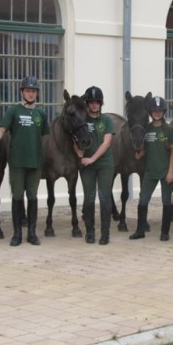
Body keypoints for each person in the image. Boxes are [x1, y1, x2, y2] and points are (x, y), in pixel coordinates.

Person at [0, 76, 49, 247]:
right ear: (22, 92)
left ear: (37, 93)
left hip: (35, 162)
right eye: (28, 90)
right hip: (17, 161)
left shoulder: (41, 114)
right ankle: (17, 233)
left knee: (32, 197)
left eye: (33, 91)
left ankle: (31, 233)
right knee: (17, 196)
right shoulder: (13, 111)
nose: (31, 94)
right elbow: (2, 129)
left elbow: (45, 138)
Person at [129, 96, 173, 242]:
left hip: (165, 171)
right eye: (154, 111)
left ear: (163, 112)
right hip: (150, 172)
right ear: (150, 112)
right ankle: (140, 230)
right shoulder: (147, 128)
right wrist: (140, 154)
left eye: (159, 110)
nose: (157, 113)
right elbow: (146, 149)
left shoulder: (169, 129)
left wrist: (170, 172)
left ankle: (165, 232)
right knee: (143, 201)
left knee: (166, 201)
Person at [75, 86, 115, 245]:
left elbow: (106, 143)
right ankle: (90, 232)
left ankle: (105, 233)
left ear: (101, 103)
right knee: (89, 198)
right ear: (87, 103)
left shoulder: (106, 120)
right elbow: (74, 137)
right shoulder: (81, 119)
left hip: (105, 164)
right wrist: (77, 150)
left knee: (105, 198)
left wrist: (92, 159)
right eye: (91, 102)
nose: (93, 105)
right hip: (86, 165)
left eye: (97, 102)